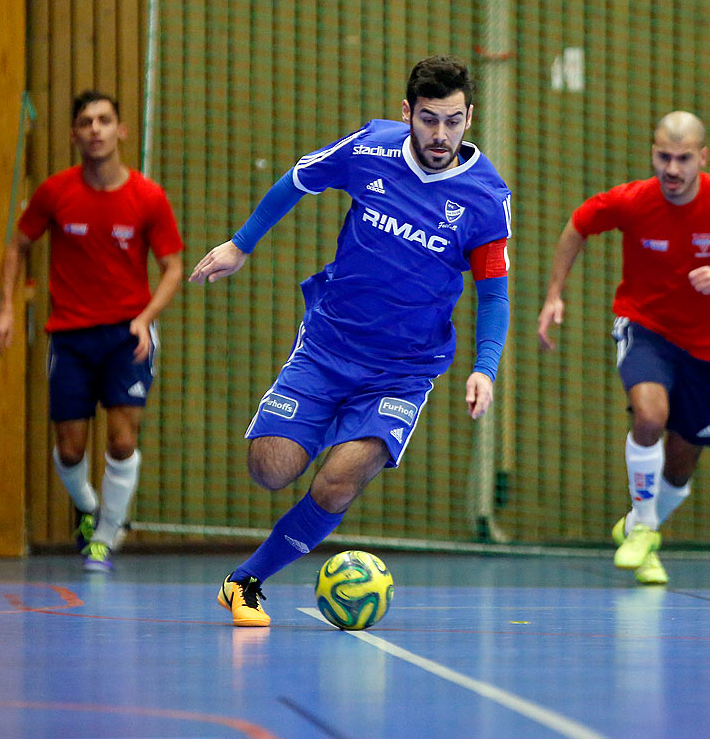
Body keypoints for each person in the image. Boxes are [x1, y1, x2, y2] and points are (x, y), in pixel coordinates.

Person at [190, 56, 512, 627]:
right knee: (270, 466)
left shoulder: (485, 199)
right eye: (430, 119)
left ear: (470, 118)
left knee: (338, 481)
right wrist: (241, 244)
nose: (441, 135)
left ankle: (246, 581)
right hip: (328, 346)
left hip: (404, 370)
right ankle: (311, 427)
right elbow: (296, 179)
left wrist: (485, 368)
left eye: (454, 121)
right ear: (407, 113)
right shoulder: (370, 150)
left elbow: (493, 296)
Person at [536, 111, 710, 585]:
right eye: (663, 157)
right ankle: (646, 529)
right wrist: (554, 293)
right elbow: (578, 226)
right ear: (652, 153)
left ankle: (636, 526)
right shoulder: (634, 200)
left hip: (707, 348)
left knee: (679, 469)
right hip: (645, 328)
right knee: (649, 416)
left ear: (702, 158)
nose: (672, 169)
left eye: (683, 159)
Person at [0, 89, 185, 572]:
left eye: (103, 120)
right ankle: (88, 509)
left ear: (120, 130)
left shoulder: (147, 197)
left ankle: (105, 536)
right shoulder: (56, 193)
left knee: (121, 441)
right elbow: (17, 246)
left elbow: (173, 267)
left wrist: (145, 318)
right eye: (85, 122)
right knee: (69, 448)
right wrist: (7, 309)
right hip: (72, 338)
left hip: (126, 336)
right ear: (75, 135)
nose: (94, 129)